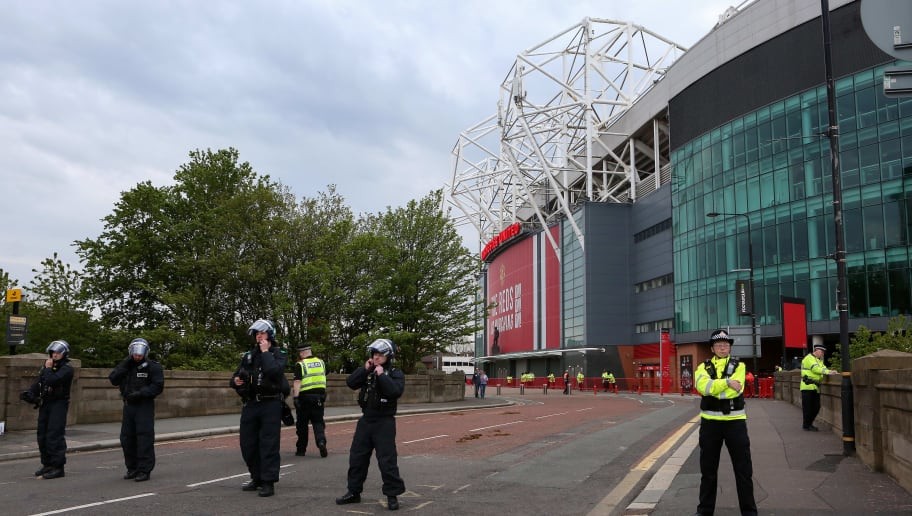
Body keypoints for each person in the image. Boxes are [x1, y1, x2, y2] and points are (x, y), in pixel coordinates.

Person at [336, 339, 406, 511]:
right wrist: (365, 369)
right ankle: (353, 492)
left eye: (380, 354)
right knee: (357, 457)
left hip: (384, 421)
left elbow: (395, 391)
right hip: (366, 420)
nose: (376, 357)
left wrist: (381, 375)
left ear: (388, 356)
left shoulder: (395, 373)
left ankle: (392, 495)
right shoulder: (368, 371)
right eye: (374, 354)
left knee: (387, 460)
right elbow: (351, 383)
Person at [694, 329, 757, 516]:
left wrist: (718, 385)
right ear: (712, 348)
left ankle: (749, 512)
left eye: (726, 344)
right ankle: (704, 511)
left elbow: (734, 391)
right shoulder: (702, 367)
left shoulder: (740, 365)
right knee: (708, 471)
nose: (723, 347)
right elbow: (702, 388)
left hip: (735, 423)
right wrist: (727, 382)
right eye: (719, 345)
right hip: (710, 424)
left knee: (743, 470)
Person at [230, 319, 288, 497]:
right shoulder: (249, 355)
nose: (258, 336)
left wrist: (265, 352)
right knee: (247, 444)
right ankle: (256, 477)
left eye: (262, 333)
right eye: (256, 333)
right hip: (251, 404)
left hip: (270, 403)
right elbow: (235, 376)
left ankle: (268, 482)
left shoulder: (278, 353)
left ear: (270, 335)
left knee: (268, 444)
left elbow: (274, 372)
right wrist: (235, 381)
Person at [108, 338, 165, 482]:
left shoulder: (153, 367)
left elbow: (157, 386)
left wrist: (141, 393)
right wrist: (125, 363)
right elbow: (113, 379)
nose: (137, 356)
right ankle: (132, 468)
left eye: (140, 354)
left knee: (144, 437)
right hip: (128, 406)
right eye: (134, 353)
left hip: (143, 406)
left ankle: (144, 470)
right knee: (126, 438)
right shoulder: (127, 366)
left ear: (145, 353)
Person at [24, 340, 74, 480]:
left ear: (64, 354)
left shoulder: (67, 369)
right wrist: (30, 393)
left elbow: (52, 380)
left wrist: (47, 369)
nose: (54, 354)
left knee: (54, 435)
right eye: (52, 352)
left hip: (59, 404)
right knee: (42, 434)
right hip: (46, 403)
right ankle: (47, 464)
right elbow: (40, 382)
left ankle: (58, 467)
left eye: (57, 352)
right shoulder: (48, 368)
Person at [292, 344, 328, 458]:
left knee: (302, 425)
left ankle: (301, 450)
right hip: (319, 397)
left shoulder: (300, 364)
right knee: (318, 422)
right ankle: (321, 442)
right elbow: (323, 376)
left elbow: (297, 382)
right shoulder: (321, 362)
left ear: (302, 353)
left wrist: (296, 397)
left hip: (304, 398)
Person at [800, 343, 836, 431]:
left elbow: (823, 368)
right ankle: (807, 425)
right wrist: (828, 372)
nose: (823, 354)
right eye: (822, 352)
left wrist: (831, 371)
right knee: (808, 408)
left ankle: (808, 424)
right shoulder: (809, 358)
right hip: (807, 386)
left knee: (816, 407)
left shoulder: (819, 360)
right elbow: (815, 369)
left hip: (815, 387)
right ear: (817, 350)